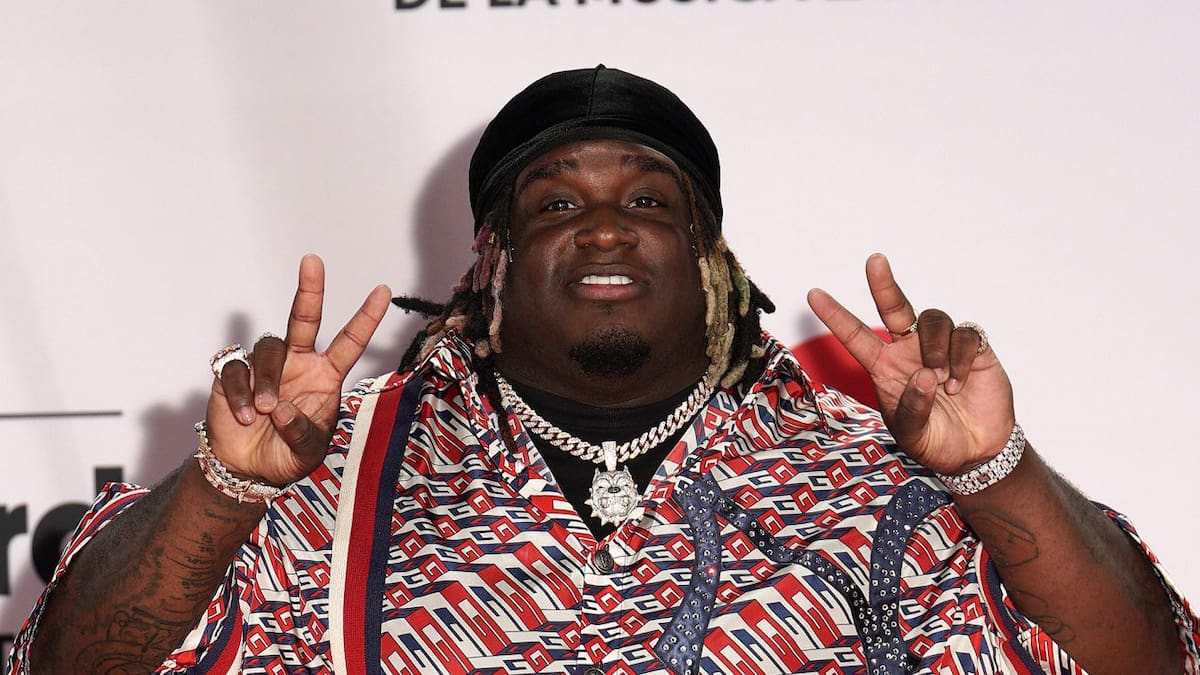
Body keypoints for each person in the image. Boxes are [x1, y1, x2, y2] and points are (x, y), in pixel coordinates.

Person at [10, 65, 1198, 674]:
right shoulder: (331, 476)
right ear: (489, 262)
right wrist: (225, 489)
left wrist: (995, 468)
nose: (606, 228)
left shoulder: (867, 473)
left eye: (649, 201)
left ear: (711, 257)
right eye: (557, 204)